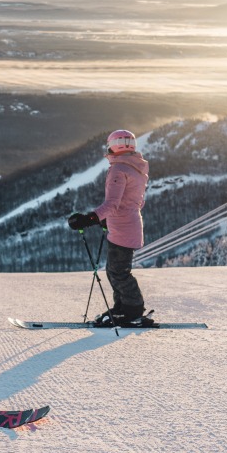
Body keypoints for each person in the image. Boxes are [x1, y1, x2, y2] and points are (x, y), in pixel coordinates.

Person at [67, 129, 153, 327]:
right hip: (126, 224)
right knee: (115, 270)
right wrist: (106, 219)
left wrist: (88, 219)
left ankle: (133, 310)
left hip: (123, 227)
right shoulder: (136, 168)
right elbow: (136, 202)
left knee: (118, 272)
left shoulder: (118, 169)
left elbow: (113, 204)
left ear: (114, 146)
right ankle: (123, 307)